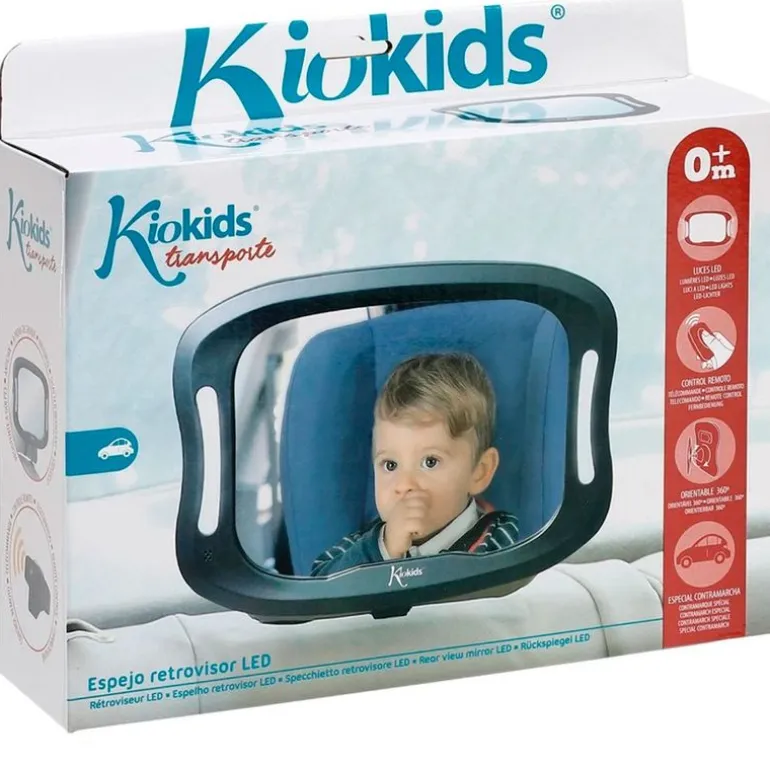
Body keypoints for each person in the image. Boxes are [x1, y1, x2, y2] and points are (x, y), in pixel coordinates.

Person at [310, 352, 518, 577]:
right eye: (390, 465)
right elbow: (320, 583)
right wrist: (384, 549)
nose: (404, 484)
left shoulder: (502, 539)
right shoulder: (366, 544)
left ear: (479, 472)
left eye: (430, 462)